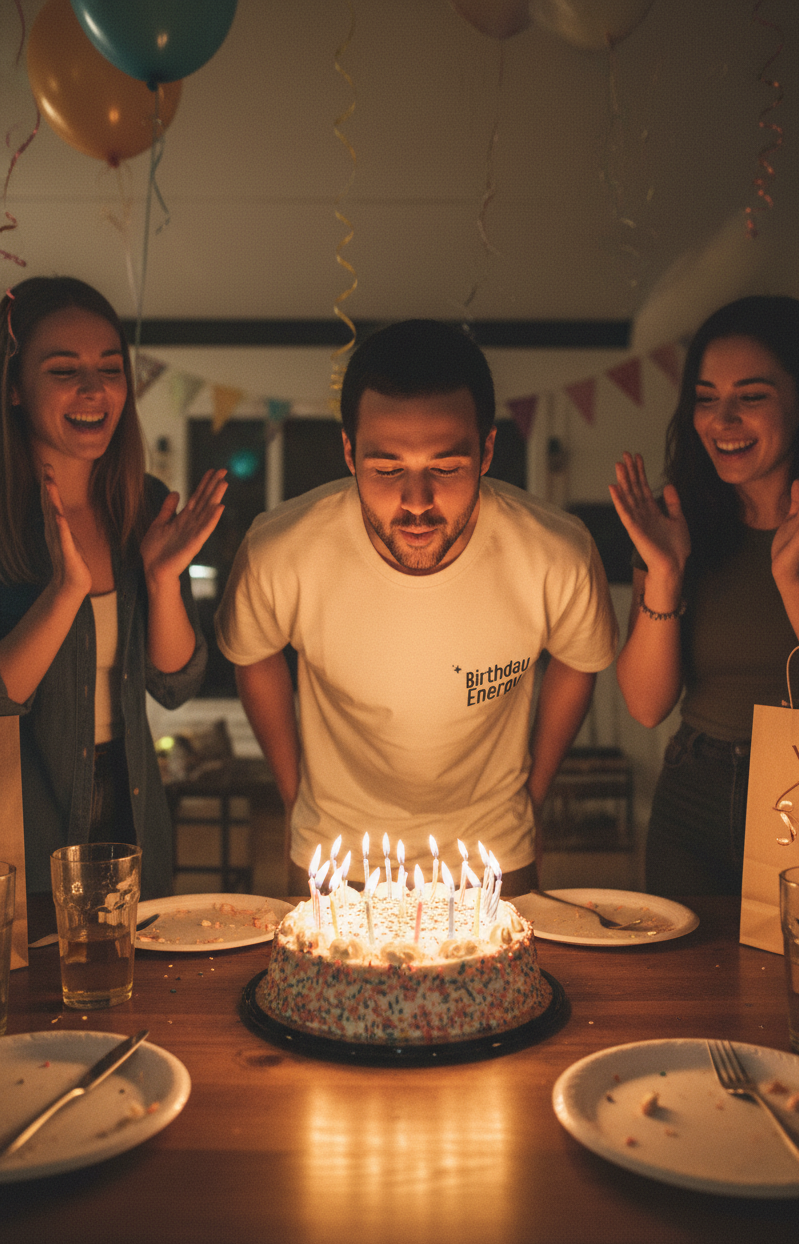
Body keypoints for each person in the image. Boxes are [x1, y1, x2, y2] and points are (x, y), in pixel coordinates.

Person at [216, 319, 618, 894]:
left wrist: (531, 796)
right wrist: (292, 790)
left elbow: (581, 659)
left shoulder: (556, 551)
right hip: (335, 855)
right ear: (349, 452)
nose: (416, 502)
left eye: (445, 468)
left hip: (494, 854)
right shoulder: (281, 550)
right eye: (387, 469)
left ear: (487, 451)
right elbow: (252, 653)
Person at [0, 277, 227, 899]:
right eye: (63, 370)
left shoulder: (142, 505)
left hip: (133, 808)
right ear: (13, 387)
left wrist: (162, 578)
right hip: (24, 815)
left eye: (110, 368)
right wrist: (65, 591)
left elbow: (174, 685)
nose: (93, 390)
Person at [610, 295, 799, 896]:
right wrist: (665, 574)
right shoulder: (678, 522)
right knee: (685, 959)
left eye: (751, 397)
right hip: (694, 793)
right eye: (706, 399)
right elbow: (647, 707)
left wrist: (794, 584)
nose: (722, 421)